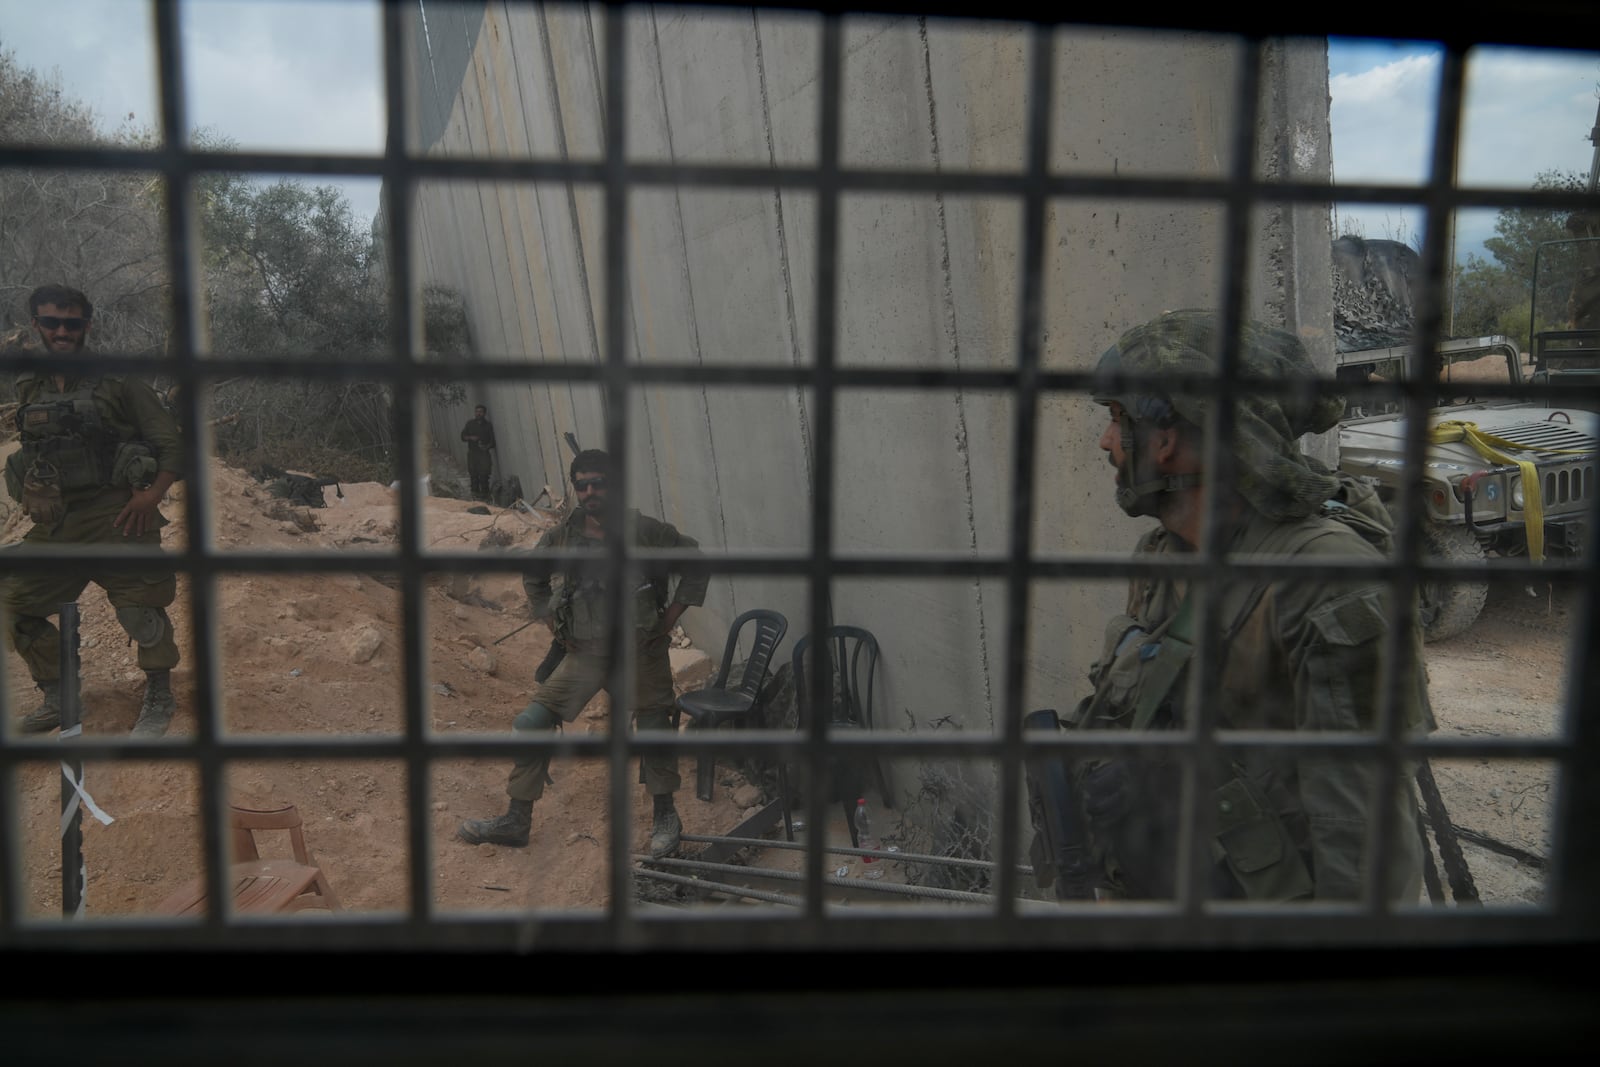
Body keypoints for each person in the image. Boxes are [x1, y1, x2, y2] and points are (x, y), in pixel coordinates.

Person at [1053, 308, 1428, 903]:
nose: (1105, 440)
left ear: (1168, 439)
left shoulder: (1326, 579)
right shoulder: (1164, 556)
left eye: (1117, 419)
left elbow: (1364, 846)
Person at [459, 449, 708, 858]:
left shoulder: (644, 531)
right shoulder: (563, 536)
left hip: (639, 653)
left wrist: (670, 620)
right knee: (531, 722)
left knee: (654, 731)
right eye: (582, 485)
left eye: (598, 483)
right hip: (586, 655)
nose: (590, 492)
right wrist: (553, 623)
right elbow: (534, 576)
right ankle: (517, 820)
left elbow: (695, 562)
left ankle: (666, 818)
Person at [3, 284, 184, 738]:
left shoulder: (118, 380)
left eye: (72, 323)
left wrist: (150, 496)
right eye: (51, 323)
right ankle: (58, 697)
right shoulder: (29, 385)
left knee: (140, 609)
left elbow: (173, 446)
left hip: (119, 516)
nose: (62, 331)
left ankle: (159, 694)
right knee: (14, 602)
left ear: (86, 325)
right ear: (36, 326)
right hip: (58, 524)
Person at [460, 404, 496, 499]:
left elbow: (492, 442)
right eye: (477, 411)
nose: (478, 413)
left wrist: (486, 447)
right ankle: (475, 497)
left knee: (484, 476)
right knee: (473, 476)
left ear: (484, 413)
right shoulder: (470, 424)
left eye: (480, 412)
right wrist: (471, 438)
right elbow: (463, 437)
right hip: (472, 454)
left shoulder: (488, 425)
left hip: (484, 454)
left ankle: (485, 497)